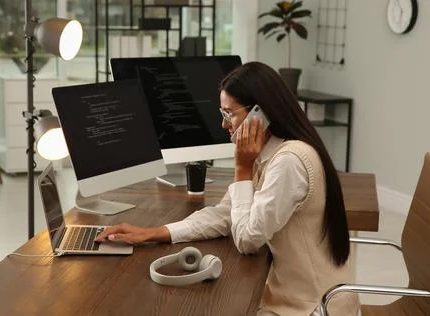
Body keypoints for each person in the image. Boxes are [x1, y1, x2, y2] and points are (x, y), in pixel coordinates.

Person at [95, 62, 359, 316]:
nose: (224, 124)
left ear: (261, 113)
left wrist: (241, 168)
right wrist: (152, 233)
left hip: (313, 307)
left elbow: (246, 239)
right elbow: (225, 215)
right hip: (291, 297)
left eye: (229, 114)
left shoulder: (288, 162)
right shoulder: (271, 154)